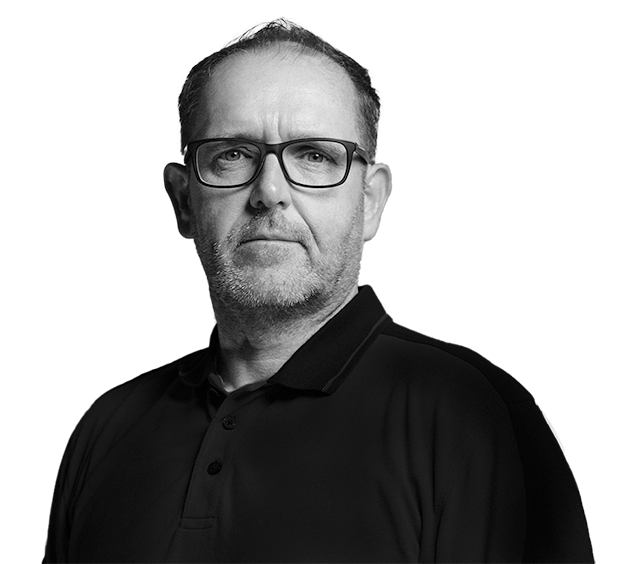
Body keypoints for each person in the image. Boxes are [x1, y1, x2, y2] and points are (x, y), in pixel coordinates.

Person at [43, 16, 594, 564]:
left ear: (370, 201)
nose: (269, 192)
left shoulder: (473, 414)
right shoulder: (107, 429)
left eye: (314, 156)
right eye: (232, 154)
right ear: (183, 200)